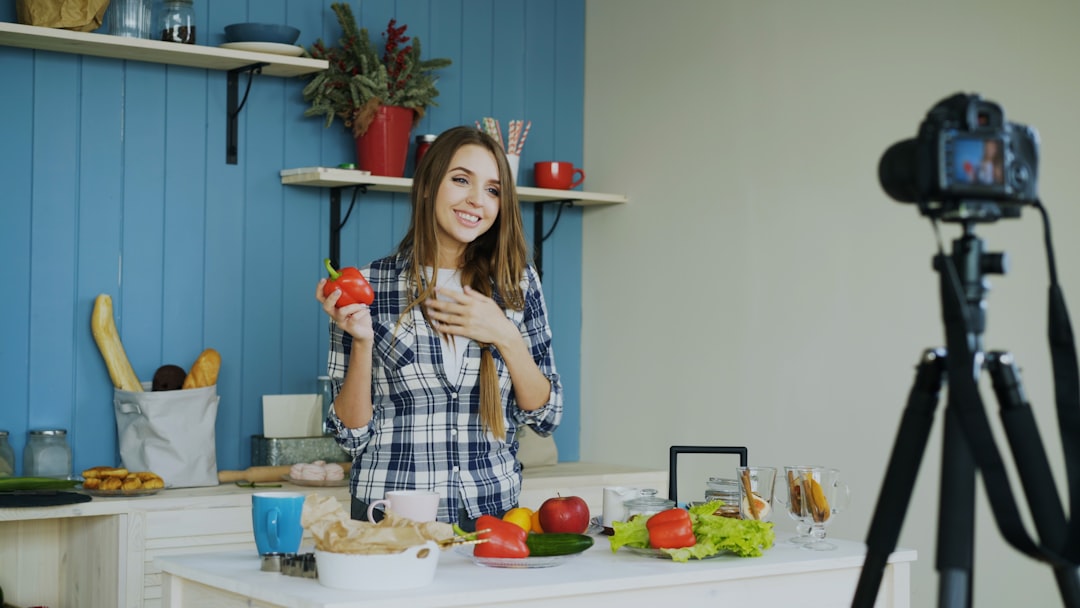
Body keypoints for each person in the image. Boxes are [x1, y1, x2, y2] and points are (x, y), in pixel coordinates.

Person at [315, 125, 563, 529]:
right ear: (430, 185)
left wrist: (503, 333)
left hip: (493, 517)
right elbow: (349, 435)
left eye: (492, 190)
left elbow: (546, 416)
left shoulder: (518, 284)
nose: (475, 200)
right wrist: (361, 342)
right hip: (390, 519)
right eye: (461, 180)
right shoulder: (366, 285)